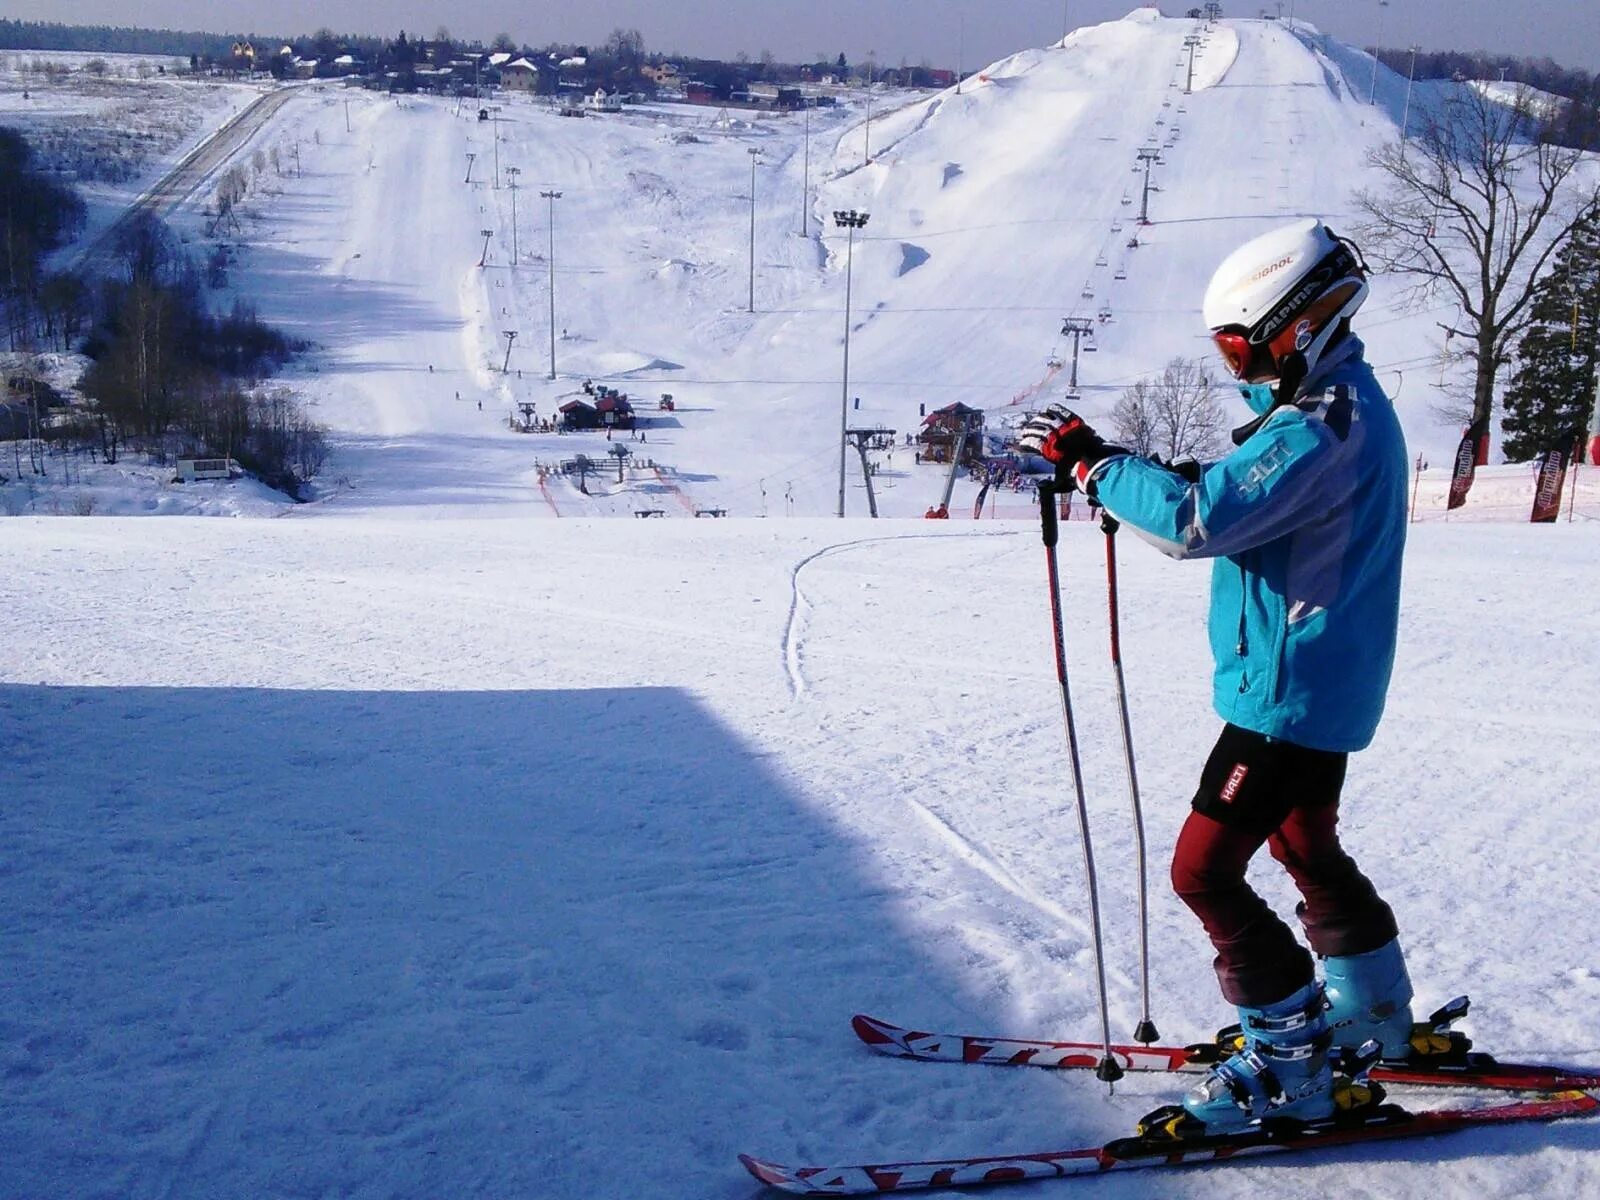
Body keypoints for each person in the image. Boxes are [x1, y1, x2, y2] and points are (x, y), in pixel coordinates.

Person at [1020, 219, 1417, 1138]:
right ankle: (1368, 1012)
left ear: (1301, 323)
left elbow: (1197, 521)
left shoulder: (1319, 423)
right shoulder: (1337, 401)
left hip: (1286, 694)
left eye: (1242, 343)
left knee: (1203, 870)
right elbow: (1246, 492)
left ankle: (1290, 1064)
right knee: (1303, 846)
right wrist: (1146, 472)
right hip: (1326, 683)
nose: (1236, 361)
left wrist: (1094, 462)